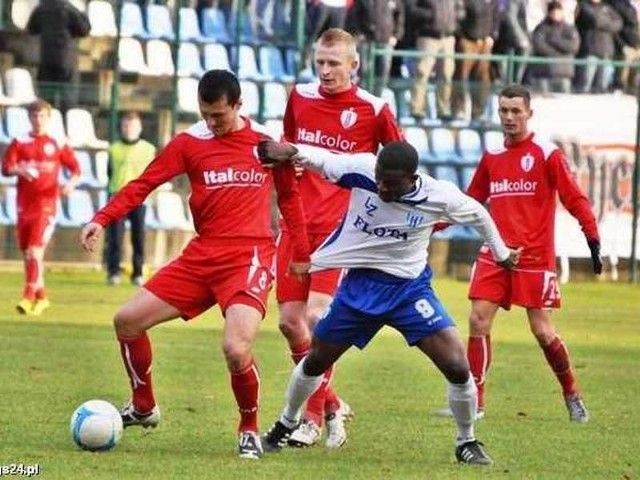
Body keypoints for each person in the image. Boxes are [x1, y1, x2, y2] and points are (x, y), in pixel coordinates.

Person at [79, 70, 311, 460]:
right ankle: (144, 406)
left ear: (238, 105)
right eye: (205, 114)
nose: (212, 123)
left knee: (236, 349)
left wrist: (302, 255)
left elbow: (290, 201)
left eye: (219, 115)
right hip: (201, 255)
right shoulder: (189, 143)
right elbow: (143, 184)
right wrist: (101, 218)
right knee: (127, 320)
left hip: (249, 256)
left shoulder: (266, 147)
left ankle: (249, 429)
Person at [256, 139, 521, 465]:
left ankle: (466, 441)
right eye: (379, 178)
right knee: (315, 360)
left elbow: (479, 214)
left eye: (390, 183)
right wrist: (292, 151)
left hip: (409, 291)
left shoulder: (439, 196)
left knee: (456, 365)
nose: (380, 186)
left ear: (411, 178)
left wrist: (503, 254)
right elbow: (323, 160)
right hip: (359, 288)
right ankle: (287, 421)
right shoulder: (364, 170)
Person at [439, 84, 602, 423]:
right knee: (477, 319)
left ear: (530, 113)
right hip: (496, 252)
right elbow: (470, 201)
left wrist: (592, 235)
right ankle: (475, 402)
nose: (509, 117)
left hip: (533, 257)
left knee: (543, 331)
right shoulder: (492, 155)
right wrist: (433, 223)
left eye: (516, 111)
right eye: (504, 111)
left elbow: (574, 197)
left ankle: (571, 393)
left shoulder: (546, 153)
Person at [276, 27, 404, 449]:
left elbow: (401, 165)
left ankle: (310, 419)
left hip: (340, 229)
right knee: (289, 323)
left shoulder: (374, 109)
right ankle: (330, 404)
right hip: (296, 225)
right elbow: (289, 148)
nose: (326, 71)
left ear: (355, 65)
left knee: (316, 317)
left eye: (334, 64)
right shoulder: (299, 97)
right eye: (320, 63)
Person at [1, 99, 81, 315]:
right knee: (29, 254)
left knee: (35, 251)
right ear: (29, 118)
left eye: (42, 116)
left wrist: (70, 184)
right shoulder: (19, 141)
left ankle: (27, 297)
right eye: (34, 116)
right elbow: (6, 168)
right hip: (23, 207)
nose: (38, 120)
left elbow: (75, 168)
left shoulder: (56, 142)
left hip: (46, 206)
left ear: (49, 117)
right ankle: (42, 297)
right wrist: (21, 171)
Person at [105, 111, 157, 286]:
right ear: (121, 127)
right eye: (126, 126)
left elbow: (153, 174)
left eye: (132, 126)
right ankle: (113, 273)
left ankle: (138, 273)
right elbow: (109, 173)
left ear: (139, 128)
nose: (129, 129)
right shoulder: (114, 149)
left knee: (138, 237)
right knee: (115, 238)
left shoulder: (149, 149)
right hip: (118, 197)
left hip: (139, 199)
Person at [26, 0, 91, 112]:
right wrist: (84, 14)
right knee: (68, 102)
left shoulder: (41, 8)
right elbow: (85, 30)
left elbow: (31, 29)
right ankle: (65, 126)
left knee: (46, 103)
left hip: (46, 60)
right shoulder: (68, 8)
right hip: (66, 61)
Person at [530, 1, 580, 94]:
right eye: (553, 11)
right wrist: (557, 53)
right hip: (544, 73)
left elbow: (573, 46)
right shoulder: (541, 28)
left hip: (564, 73)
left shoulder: (569, 28)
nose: (556, 14)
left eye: (558, 11)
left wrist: (555, 41)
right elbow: (539, 45)